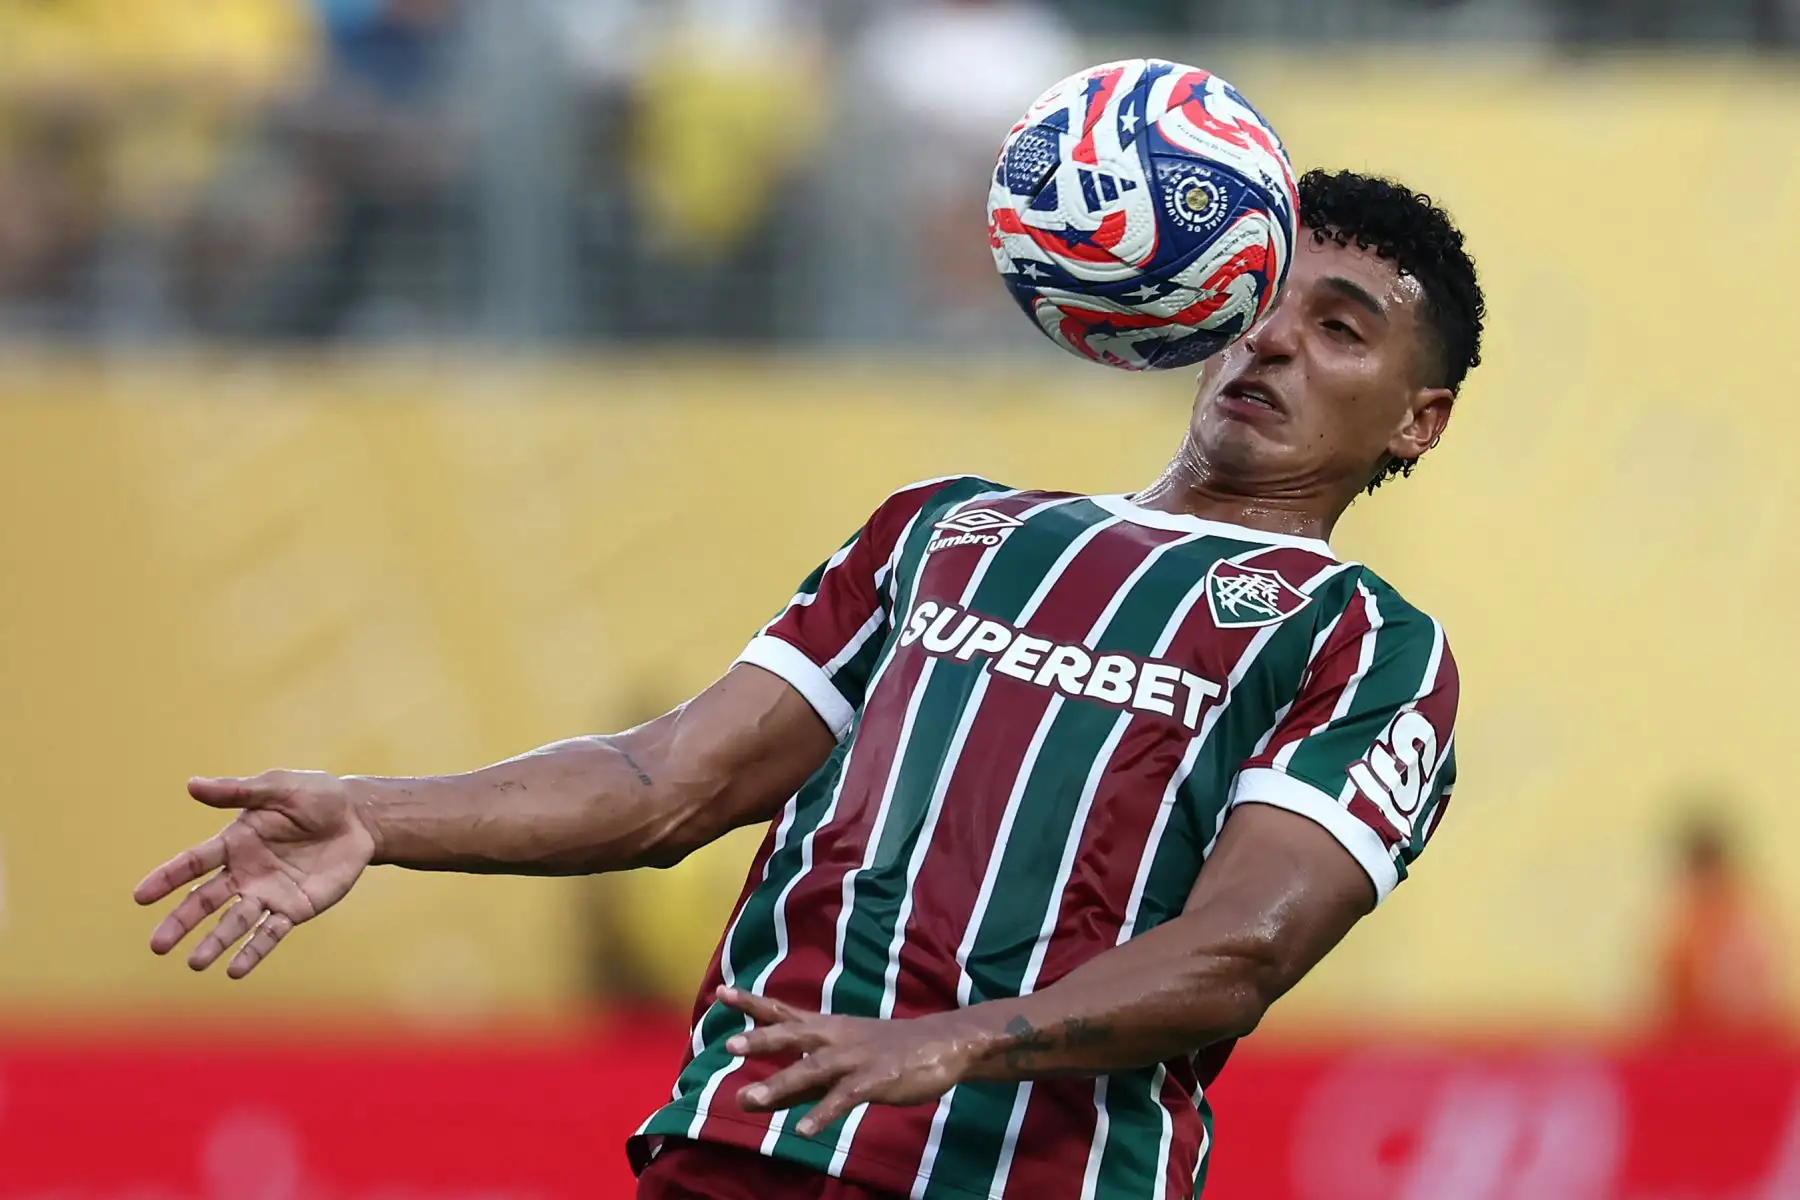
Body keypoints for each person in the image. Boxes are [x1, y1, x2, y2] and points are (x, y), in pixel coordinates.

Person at [135, 168, 1484, 1199]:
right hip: (748, 1149)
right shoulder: (948, 531)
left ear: (1416, 420)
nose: (1272, 342)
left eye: (1340, 328)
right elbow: (669, 782)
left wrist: (958, 1042)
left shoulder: (1367, 646)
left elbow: (1239, 950)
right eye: (1257, 300)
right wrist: (380, 818)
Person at [1655, 809, 1787, 1042]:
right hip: (1696, 1039)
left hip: (1748, 1042)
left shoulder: (1749, 921)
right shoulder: (1682, 927)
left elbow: (1760, 992)